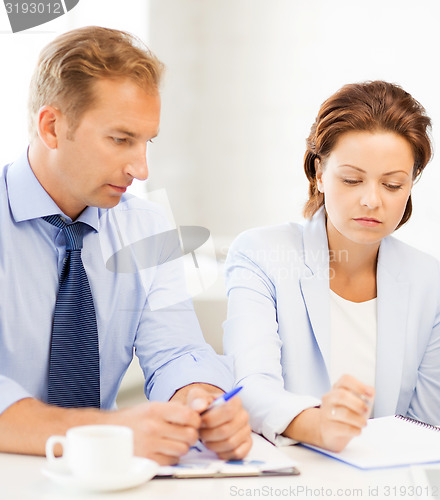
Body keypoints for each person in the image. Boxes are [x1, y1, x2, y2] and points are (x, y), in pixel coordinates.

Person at [0, 26, 251, 465]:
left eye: (146, 141)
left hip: (105, 476)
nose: (141, 167)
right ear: (52, 127)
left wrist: (201, 400)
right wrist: (105, 430)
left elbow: (176, 351)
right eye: (120, 139)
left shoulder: (146, 226)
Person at [223, 80, 440, 452]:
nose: (372, 200)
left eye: (392, 185)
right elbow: (250, 387)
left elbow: (426, 427)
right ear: (320, 173)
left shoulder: (429, 282)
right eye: (352, 179)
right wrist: (316, 424)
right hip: (288, 475)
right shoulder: (261, 254)